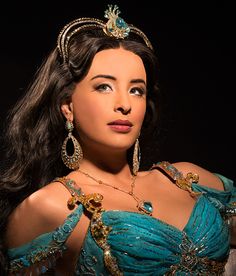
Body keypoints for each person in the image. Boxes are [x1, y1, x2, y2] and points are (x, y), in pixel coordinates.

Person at [0, 4, 235, 275]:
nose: (124, 104)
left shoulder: (188, 179)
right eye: (104, 87)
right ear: (67, 105)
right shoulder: (48, 207)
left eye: (136, 90)